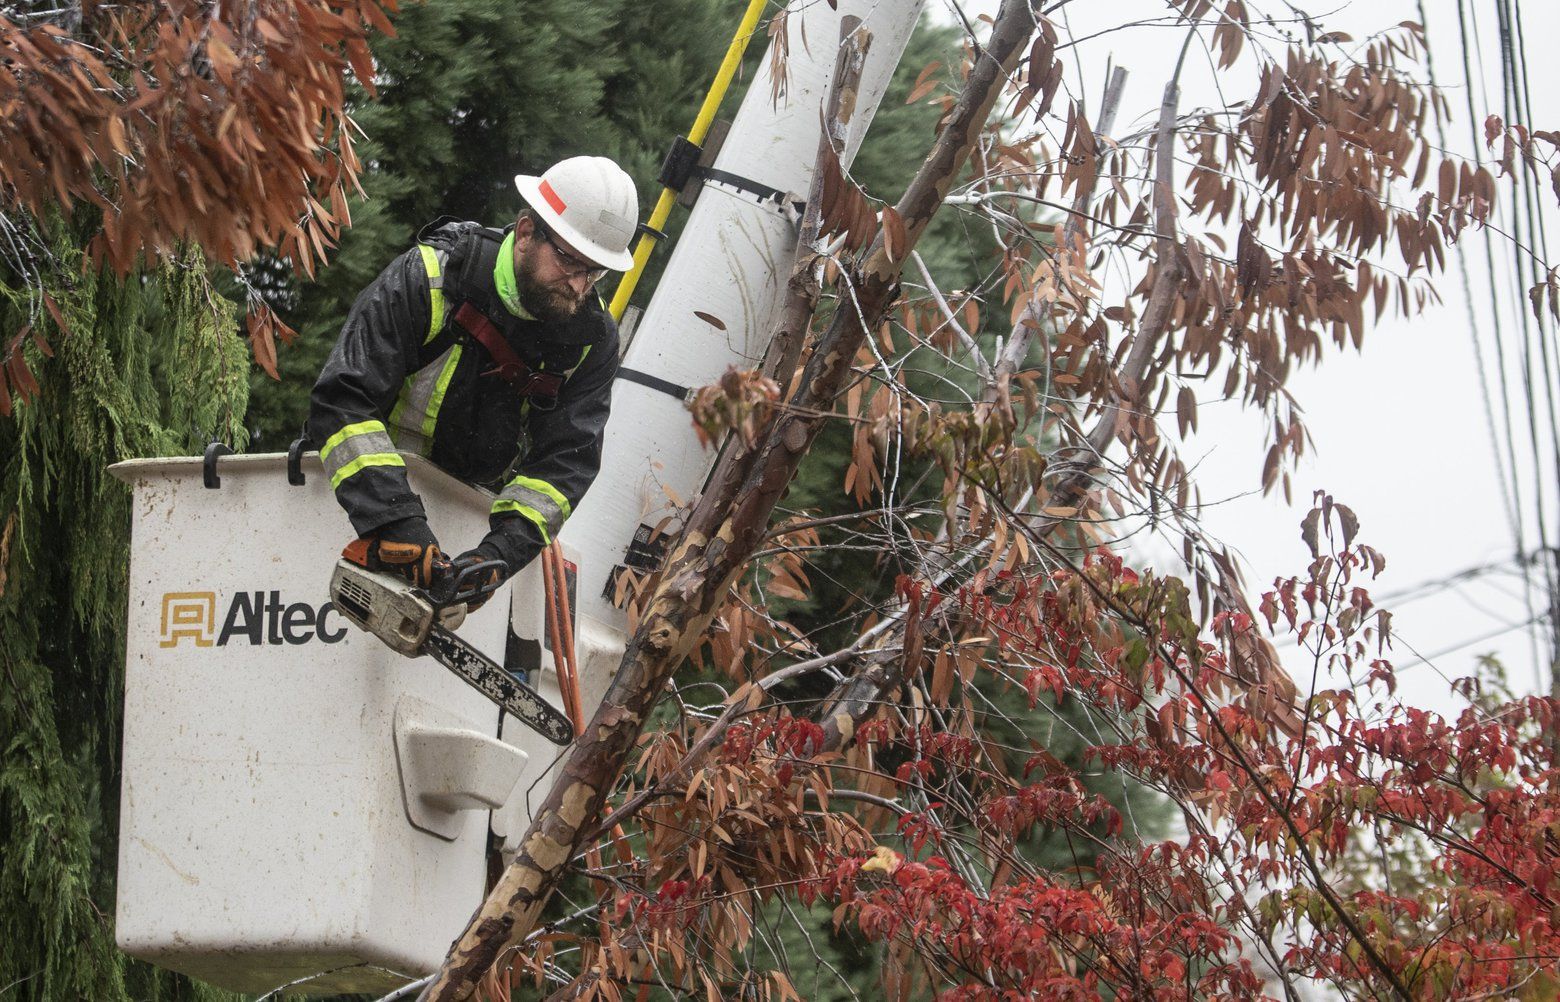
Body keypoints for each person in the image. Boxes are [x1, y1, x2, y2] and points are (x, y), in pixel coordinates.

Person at [308, 156, 638, 601]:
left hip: (468, 517)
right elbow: (343, 398)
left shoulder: (591, 343)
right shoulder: (432, 278)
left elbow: (563, 469)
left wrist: (497, 556)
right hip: (350, 504)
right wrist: (394, 520)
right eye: (568, 261)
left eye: (595, 272)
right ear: (526, 233)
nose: (579, 286)